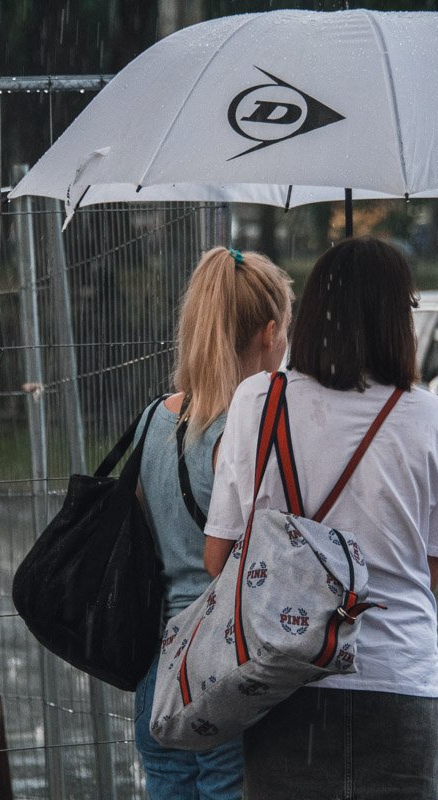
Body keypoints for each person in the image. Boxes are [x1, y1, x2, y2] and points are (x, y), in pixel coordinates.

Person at [203, 236, 438, 800]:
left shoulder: (257, 401)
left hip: (284, 679)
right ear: (398, 319)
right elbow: (428, 571)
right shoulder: (436, 419)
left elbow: (218, 558)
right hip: (401, 684)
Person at [133, 246, 292, 800]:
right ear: (269, 333)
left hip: (158, 664)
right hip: (225, 662)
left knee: (167, 785)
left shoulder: (153, 420)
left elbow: (144, 537)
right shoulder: (247, 434)